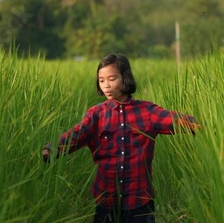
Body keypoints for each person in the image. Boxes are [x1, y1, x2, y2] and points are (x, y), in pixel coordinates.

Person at [42, 54, 200, 223]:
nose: (106, 86)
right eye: (101, 80)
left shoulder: (147, 111)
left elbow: (173, 119)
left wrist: (204, 124)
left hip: (139, 199)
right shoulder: (97, 114)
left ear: (125, 78)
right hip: (106, 198)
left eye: (112, 79)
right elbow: (76, 135)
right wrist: (50, 149)